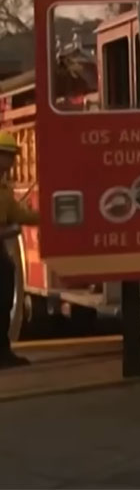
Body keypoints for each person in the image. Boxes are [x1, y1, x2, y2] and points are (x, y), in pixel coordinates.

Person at [0, 133, 39, 369]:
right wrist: (8, 230)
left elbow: (18, 214)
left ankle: (3, 352)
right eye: (8, 156)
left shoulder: (4, 188)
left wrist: (49, 216)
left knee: (4, 301)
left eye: (14, 156)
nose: (12, 161)